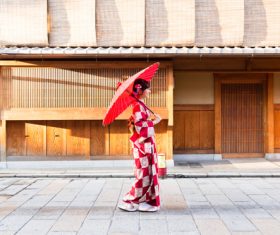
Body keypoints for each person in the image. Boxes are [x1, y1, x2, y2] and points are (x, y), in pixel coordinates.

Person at [118, 78, 162, 212]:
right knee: (143, 174)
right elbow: (139, 126)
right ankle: (130, 200)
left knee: (149, 173)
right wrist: (155, 122)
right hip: (142, 146)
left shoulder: (140, 104)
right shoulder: (137, 106)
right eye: (147, 88)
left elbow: (141, 123)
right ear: (141, 90)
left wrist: (152, 120)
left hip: (147, 144)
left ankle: (147, 201)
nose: (150, 90)